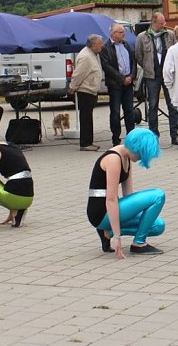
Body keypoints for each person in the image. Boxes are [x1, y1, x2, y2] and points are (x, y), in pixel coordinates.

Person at [88, 128, 165, 257]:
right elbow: (111, 199)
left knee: (158, 226)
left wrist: (143, 213)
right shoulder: (113, 159)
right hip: (100, 211)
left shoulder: (126, 157)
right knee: (158, 195)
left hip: (110, 207)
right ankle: (138, 243)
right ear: (137, 148)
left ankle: (108, 233)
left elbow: (128, 194)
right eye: (141, 154)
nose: (141, 158)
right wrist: (118, 238)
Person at [135, 12, 178, 143]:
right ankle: (153, 135)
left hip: (168, 76)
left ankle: (175, 134)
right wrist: (148, 67)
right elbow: (139, 56)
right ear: (153, 22)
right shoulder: (142, 37)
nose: (164, 25)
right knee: (152, 105)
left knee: (172, 105)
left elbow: (176, 52)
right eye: (161, 23)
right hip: (152, 76)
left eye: (164, 23)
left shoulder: (170, 35)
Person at [101, 23, 138, 147]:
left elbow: (134, 61)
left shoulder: (126, 44)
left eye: (124, 32)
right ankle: (116, 138)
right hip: (115, 84)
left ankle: (131, 136)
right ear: (113, 33)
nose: (124, 34)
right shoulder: (106, 47)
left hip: (128, 82)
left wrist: (131, 76)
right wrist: (122, 79)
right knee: (115, 112)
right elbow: (106, 66)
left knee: (129, 111)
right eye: (121, 32)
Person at [69, 34, 104, 151]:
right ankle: (85, 143)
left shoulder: (92, 54)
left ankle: (89, 141)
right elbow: (78, 74)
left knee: (88, 117)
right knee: (85, 118)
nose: (101, 46)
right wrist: (72, 87)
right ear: (93, 45)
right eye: (100, 44)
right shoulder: (85, 57)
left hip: (91, 90)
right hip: (85, 91)